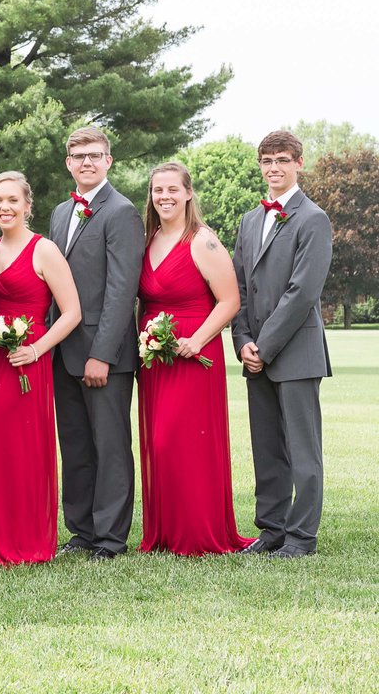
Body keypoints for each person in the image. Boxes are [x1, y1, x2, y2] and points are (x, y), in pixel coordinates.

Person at [137, 163, 254, 556]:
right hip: (156, 356)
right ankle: (166, 532)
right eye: (157, 190)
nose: (164, 197)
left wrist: (197, 340)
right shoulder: (149, 238)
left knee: (185, 441)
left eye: (172, 189)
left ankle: (197, 533)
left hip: (193, 354)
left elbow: (230, 300)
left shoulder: (202, 241)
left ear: (188, 193)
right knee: (160, 442)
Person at [0, 172, 81, 565]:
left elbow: (72, 313)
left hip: (27, 357)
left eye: (13, 200)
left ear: (27, 206)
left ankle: (25, 539)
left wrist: (35, 350)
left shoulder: (44, 250)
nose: (5, 207)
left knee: (18, 447)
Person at [232, 131, 332, 559]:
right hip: (256, 354)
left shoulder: (313, 219)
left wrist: (264, 346)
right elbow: (237, 287)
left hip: (295, 354)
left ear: (299, 164)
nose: (274, 167)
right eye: (267, 160)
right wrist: (242, 342)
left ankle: (301, 538)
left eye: (283, 160)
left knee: (302, 452)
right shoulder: (250, 220)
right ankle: (271, 530)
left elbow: (302, 292)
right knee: (267, 449)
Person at [48, 127, 145, 561]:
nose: (86, 162)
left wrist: (102, 354)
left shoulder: (121, 212)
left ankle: (110, 538)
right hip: (62, 351)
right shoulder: (59, 212)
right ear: (68, 163)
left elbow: (123, 290)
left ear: (109, 161)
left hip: (104, 354)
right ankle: (82, 530)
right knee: (75, 443)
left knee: (109, 446)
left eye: (95, 155)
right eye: (78, 156)